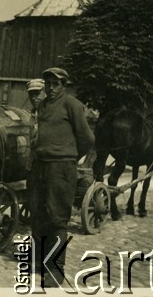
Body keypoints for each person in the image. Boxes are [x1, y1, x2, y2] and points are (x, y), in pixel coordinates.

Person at [29, 67, 94, 288]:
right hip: (41, 166)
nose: (51, 87)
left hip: (61, 168)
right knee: (38, 213)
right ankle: (38, 263)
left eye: (55, 84)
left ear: (63, 85)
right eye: (48, 83)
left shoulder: (72, 105)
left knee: (56, 217)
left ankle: (54, 272)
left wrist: (70, 157)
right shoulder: (43, 105)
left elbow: (87, 138)